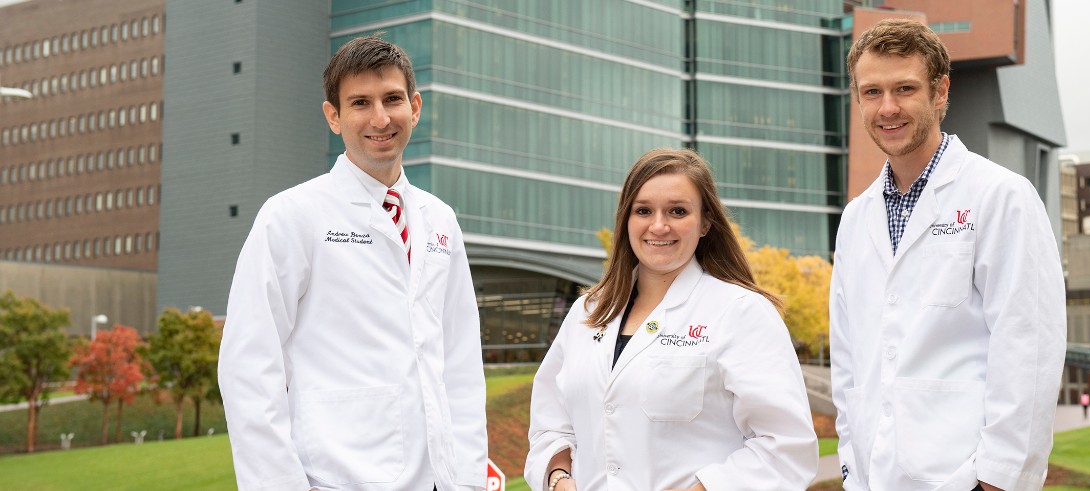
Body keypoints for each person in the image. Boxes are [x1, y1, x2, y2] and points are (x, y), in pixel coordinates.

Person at [219, 35, 487, 491]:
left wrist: (467, 479)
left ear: (415, 106)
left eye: (392, 99)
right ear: (333, 116)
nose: (380, 118)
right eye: (360, 102)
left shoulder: (440, 220)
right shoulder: (292, 215)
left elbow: (460, 364)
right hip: (335, 478)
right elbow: (249, 366)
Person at [828, 19, 1066, 491]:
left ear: (940, 92)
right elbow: (848, 358)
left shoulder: (1001, 196)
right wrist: (852, 467)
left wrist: (997, 480)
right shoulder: (856, 219)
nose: (887, 107)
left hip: (966, 478)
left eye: (905, 88)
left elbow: (1028, 346)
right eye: (872, 92)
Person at [525, 148, 818, 491]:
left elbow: (786, 445)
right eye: (643, 210)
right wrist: (559, 478)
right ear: (626, 220)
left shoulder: (742, 312)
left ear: (706, 221)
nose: (659, 225)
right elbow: (551, 423)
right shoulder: (587, 312)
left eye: (677, 211)